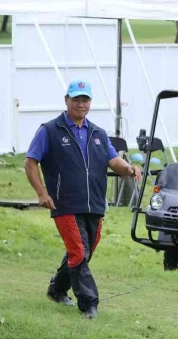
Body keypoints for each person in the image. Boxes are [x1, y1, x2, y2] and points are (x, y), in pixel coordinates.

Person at [23, 80, 142, 320]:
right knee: (78, 250)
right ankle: (89, 304)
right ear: (66, 100)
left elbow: (113, 161)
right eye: (76, 99)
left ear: (90, 103)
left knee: (84, 252)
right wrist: (41, 193)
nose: (80, 104)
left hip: (95, 203)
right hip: (64, 203)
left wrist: (129, 168)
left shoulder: (98, 133)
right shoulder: (49, 130)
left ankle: (57, 289)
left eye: (85, 100)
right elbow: (30, 162)